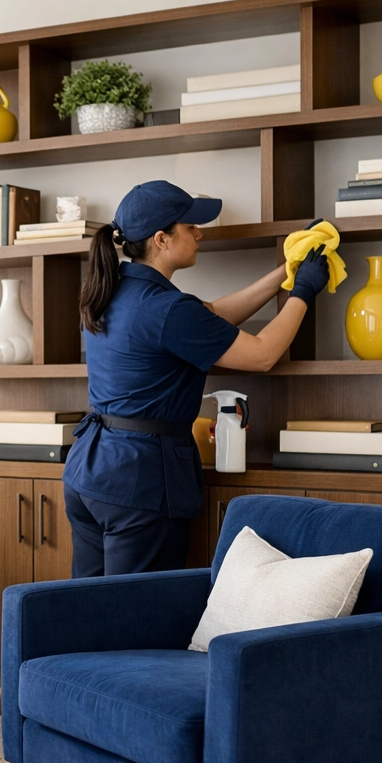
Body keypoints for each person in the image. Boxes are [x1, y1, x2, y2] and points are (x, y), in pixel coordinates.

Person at [63, 180, 332, 577]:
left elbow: (213, 317)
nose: (200, 233)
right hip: (138, 482)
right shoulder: (167, 309)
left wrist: (286, 273)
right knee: (137, 613)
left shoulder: (111, 291)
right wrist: (304, 292)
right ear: (161, 239)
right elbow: (262, 355)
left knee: (88, 608)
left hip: (90, 473)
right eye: (190, 227)